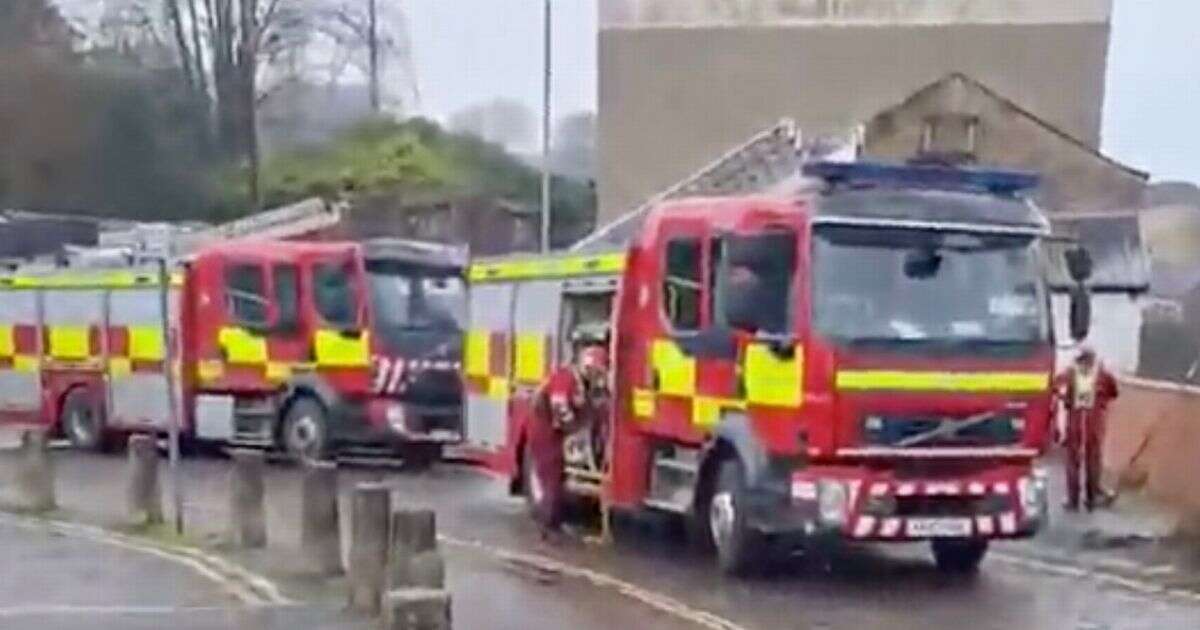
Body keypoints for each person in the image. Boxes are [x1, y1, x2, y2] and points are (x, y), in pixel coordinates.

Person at [526, 344, 610, 536]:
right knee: (551, 477)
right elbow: (560, 406)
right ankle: (547, 524)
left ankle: (552, 521)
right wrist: (573, 427)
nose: (596, 377)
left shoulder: (582, 383)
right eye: (595, 372)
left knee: (557, 476)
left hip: (555, 433)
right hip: (545, 431)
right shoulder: (566, 378)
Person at [1053, 347, 1119, 512]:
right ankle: (1082, 497)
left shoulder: (1077, 375)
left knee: (1085, 460)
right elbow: (1113, 392)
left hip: (1085, 422)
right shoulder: (1095, 375)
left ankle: (1084, 497)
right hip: (1084, 422)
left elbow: (1113, 391)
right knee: (1082, 460)